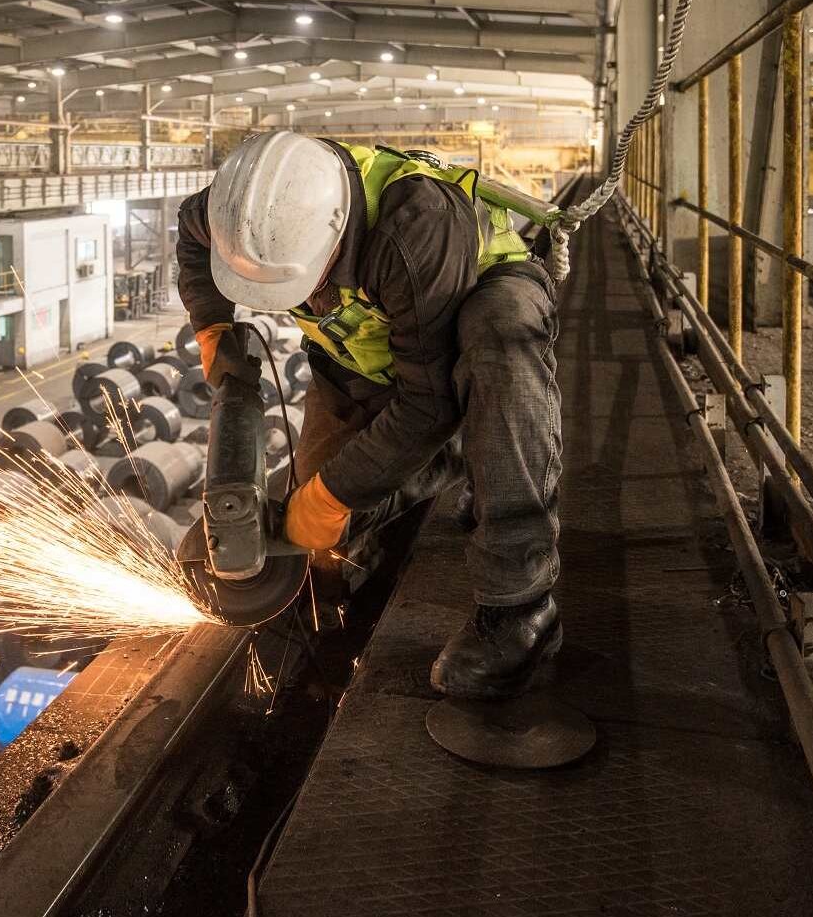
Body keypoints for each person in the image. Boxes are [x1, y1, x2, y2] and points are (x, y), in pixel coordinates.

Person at [177, 131, 562, 701]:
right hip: (365, 346)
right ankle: (453, 457)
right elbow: (192, 239)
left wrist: (335, 493)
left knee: (499, 340)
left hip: (469, 312)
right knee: (317, 515)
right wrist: (215, 332)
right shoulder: (235, 209)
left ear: (333, 240)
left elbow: (426, 402)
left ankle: (520, 607)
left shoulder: (416, 228)